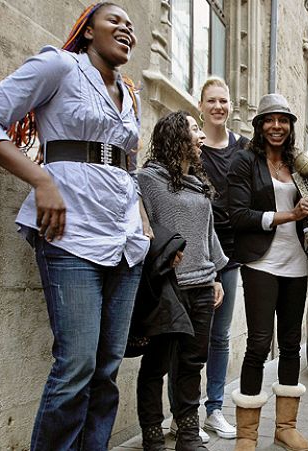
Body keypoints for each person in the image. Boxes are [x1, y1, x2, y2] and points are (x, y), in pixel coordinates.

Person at [0, 3, 150, 449]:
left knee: (107, 368)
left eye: (131, 26)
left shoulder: (130, 93)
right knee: (77, 365)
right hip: (72, 236)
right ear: (87, 31)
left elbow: (128, 164)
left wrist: (141, 218)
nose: (126, 31)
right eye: (115, 22)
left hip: (125, 241)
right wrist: (41, 177)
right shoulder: (60, 66)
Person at [227, 93, 308, 451]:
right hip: (260, 263)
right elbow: (238, 216)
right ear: (259, 125)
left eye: (283, 120)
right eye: (270, 120)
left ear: (290, 126)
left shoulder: (300, 165)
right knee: (258, 343)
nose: (277, 126)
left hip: (296, 263)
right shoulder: (243, 163)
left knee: (290, 346)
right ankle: (247, 434)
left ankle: (285, 427)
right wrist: (288, 215)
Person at [135, 111, 228, 451]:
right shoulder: (147, 180)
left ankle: (188, 435)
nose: (201, 136)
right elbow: (137, 221)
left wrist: (216, 274)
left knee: (192, 362)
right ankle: (152, 435)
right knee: (156, 363)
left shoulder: (199, 184)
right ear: (175, 136)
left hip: (202, 285)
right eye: (193, 129)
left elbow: (208, 233)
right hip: (166, 288)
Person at [169, 77, 249, 442]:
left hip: (227, 254)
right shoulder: (191, 145)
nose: (218, 106)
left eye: (224, 100)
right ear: (200, 106)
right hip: (190, 256)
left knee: (219, 337)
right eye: (212, 100)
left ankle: (214, 408)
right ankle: (180, 414)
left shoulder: (243, 148)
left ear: (230, 106)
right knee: (183, 336)